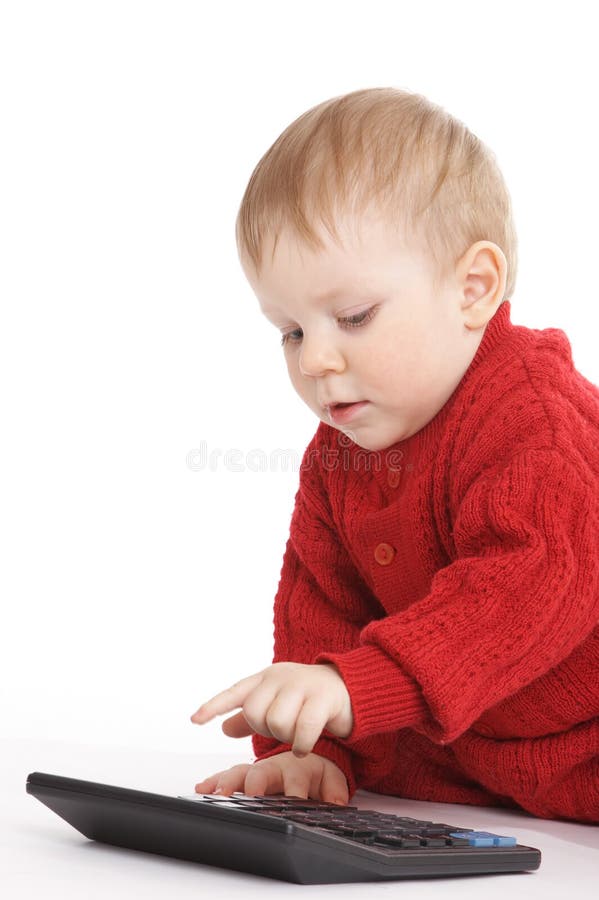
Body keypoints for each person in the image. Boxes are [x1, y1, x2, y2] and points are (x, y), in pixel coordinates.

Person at [190, 87, 599, 823]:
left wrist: (363, 684)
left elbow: (533, 580)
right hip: (471, 754)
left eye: (351, 317)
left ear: (472, 288)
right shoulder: (339, 454)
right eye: (289, 331)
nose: (315, 360)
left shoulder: (527, 416)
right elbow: (323, 606)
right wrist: (314, 747)